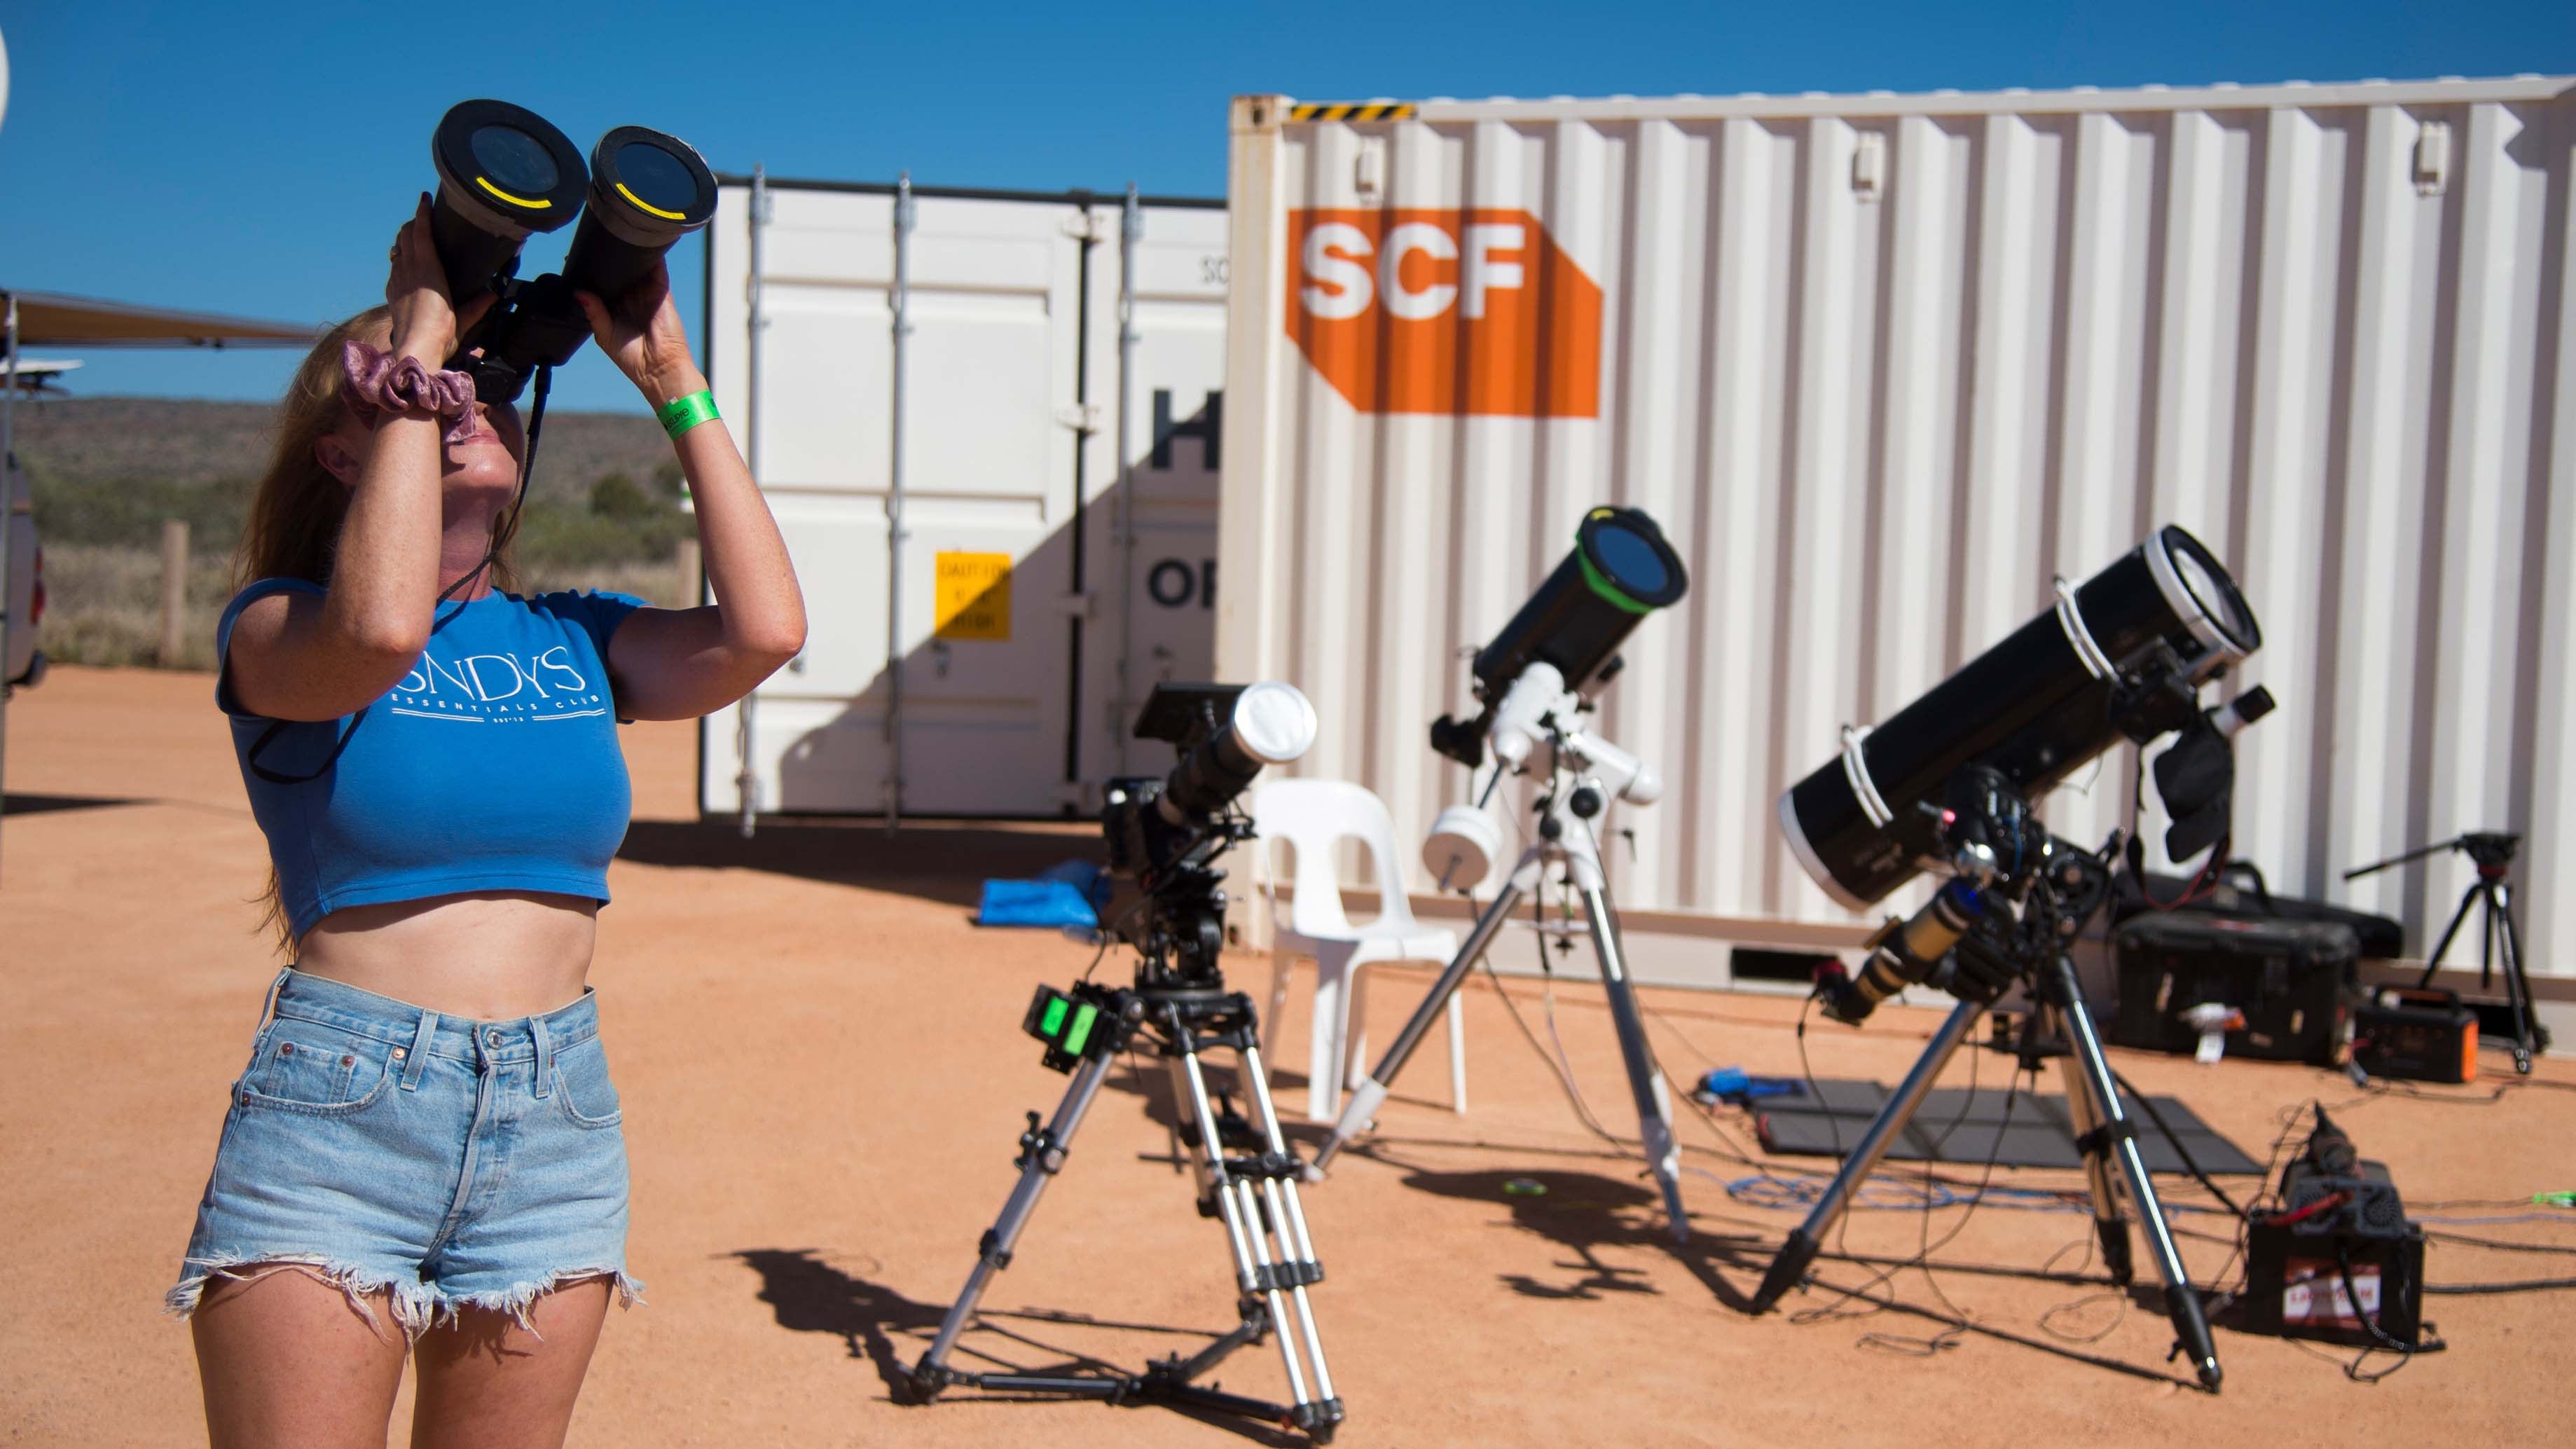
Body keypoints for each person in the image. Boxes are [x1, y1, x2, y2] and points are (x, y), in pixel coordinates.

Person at [169, 195, 805, 1449]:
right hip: (341, 1113)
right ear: (343, 454)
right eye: (424, 391)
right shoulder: (279, 628)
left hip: (553, 1114)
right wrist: (424, 323)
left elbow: (766, 632)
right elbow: (381, 628)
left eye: (484, 387)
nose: (466, 399)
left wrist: (671, 378)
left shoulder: (572, 634)